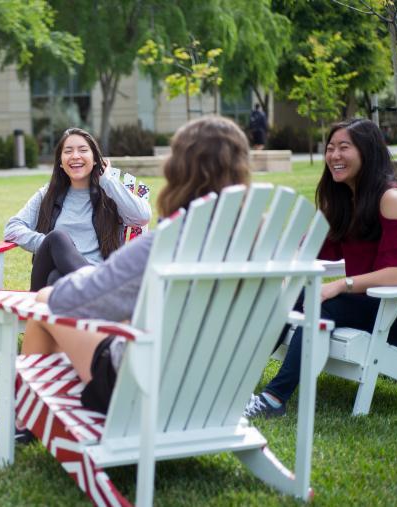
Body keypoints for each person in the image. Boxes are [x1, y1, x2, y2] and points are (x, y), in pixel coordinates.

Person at [15, 116, 251, 442]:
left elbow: (70, 302)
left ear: (178, 171)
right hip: (215, 389)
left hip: (139, 384)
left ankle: (23, 421)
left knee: (44, 308)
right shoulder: (254, 245)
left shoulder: (163, 244)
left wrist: (46, 296)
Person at [245, 118, 397, 418]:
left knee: (323, 302)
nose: (334, 156)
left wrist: (339, 285)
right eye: (330, 148)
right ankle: (236, 387)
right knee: (287, 297)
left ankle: (274, 399)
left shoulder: (391, 199)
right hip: (366, 305)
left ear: (367, 152)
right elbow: (307, 252)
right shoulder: (345, 201)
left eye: (344, 147)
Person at [4, 127, 151, 291]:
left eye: (83, 150)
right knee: (57, 239)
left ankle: (90, 288)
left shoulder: (110, 194)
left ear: (95, 158)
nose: (75, 156)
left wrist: (108, 181)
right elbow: (12, 228)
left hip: (71, 282)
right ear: (60, 161)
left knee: (56, 279)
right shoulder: (48, 195)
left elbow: (142, 216)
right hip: (85, 284)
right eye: (68, 151)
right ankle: (96, 289)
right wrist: (50, 246)